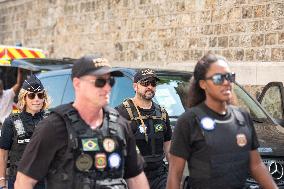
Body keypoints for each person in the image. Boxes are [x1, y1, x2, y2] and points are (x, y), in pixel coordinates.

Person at [14, 55, 149, 189]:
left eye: (111, 81)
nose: (107, 88)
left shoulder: (120, 125)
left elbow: (136, 178)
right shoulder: (53, 127)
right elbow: (24, 182)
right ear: (77, 84)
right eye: (100, 82)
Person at [166, 53, 278, 189]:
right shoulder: (189, 121)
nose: (226, 82)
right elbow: (174, 175)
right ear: (203, 84)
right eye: (219, 78)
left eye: (230, 77)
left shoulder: (242, 117)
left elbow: (256, 165)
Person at [116, 68, 172, 189]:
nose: (150, 87)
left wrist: (173, 175)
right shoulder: (121, 112)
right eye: (145, 83)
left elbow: (168, 146)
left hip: (160, 176)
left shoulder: (161, 113)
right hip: (133, 177)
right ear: (135, 86)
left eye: (153, 83)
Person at [0, 75, 51, 189]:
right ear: (24, 98)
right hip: (18, 180)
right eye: (32, 96)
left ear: (44, 97)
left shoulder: (51, 120)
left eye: (40, 95)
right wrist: (2, 181)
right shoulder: (11, 121)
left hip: (45, 180)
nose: (36, 99)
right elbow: (3, 154)